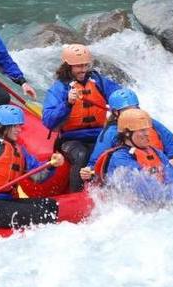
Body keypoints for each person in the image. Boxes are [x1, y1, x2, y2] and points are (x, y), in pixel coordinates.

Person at [41, 44, 122, 192]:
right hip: (71, 139)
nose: (83, 69)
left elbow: (118, 94)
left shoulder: (97, 81)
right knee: (81, 155)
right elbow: (48, 121)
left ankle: (113, 192)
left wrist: (123, 106)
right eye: (78, 66)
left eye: (85, 65)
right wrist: (67, 103)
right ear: (68, 66)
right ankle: (76, 194)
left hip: (99, 136)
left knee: (115, 153)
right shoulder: (59, 88)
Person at [95, 108, 173, 206]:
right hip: (136, 205)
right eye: (142, 131)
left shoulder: (156, 152)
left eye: (147, 130)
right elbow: (141, 186)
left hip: (159, 200)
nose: (147, 134)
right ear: (127, 133)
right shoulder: (120, 157)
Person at [80, 88, 173, 183]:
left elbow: (168, 138)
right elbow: (98, 159)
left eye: (135, 108)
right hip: (133, 171)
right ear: (116, 112)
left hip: (156, 163)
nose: (133, 113)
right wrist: (91, 170)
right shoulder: (111, 134)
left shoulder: (145, 120)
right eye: (128, 110)